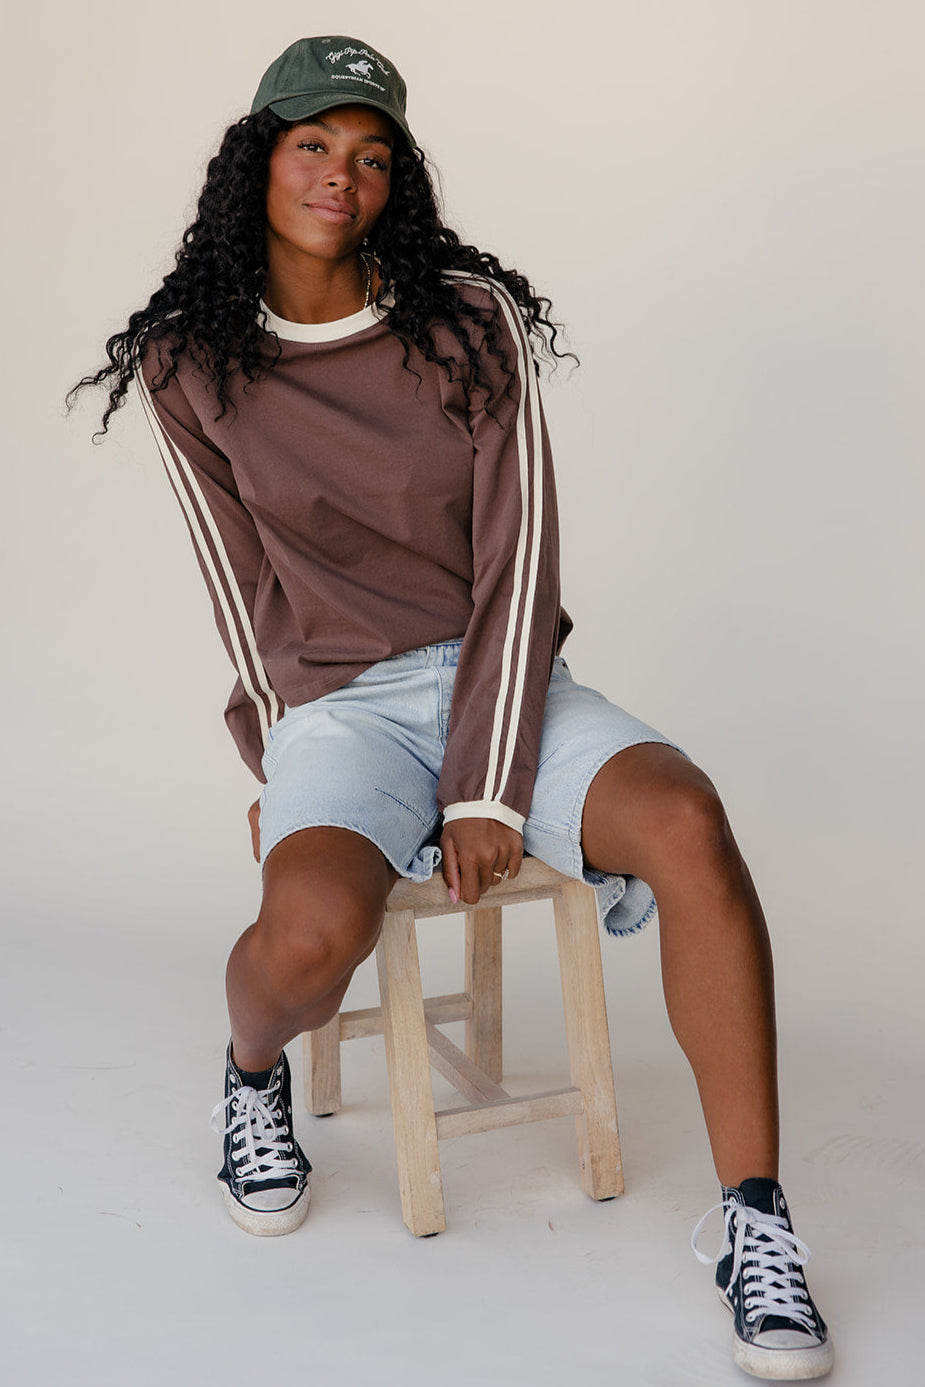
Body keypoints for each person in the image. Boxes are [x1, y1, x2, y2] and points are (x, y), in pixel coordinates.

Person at [69, 35, 833, 1381]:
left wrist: (484, 779)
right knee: (305, 942)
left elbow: (519, 561)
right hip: (339, 711)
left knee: (687, 821)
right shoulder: (190, 364)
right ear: (259, 158)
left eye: (372, 154)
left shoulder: (464, 321)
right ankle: (251, 1076)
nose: (340, 175)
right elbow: (238, 585)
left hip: (501, 678)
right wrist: (277, 749)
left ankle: (754, 1220)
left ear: (397, 180)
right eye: (313, 144)